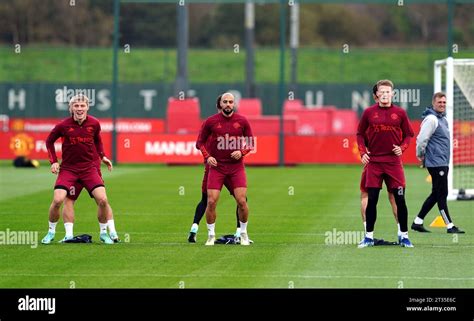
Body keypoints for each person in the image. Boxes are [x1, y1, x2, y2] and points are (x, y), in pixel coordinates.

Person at [41, 94, 117, 245]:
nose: (79, 108)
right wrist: (54, 161)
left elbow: (98, 140)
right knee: (58, 200)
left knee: (102, 199)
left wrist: (102, 157)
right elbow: (49, 141)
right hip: (69, 169)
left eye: (82, 106)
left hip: (89, 169)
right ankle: (51, 232)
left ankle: (104, 233)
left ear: (87, 107)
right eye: (76, 106)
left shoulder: (94, 123)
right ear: (71, 108)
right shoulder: (63, 125)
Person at [356, 79, 415, 248]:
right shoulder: (368, 113)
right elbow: (359, 133)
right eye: (382, 92)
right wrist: (362, 152)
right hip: (374, 162)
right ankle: (368, 237)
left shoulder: (400, 113)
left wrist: (402, 148)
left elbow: (409, 135)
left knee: (400, 199)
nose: (384, 95)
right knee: (372, 199)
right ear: (377, 95)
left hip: (394, 163)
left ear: (392, 94)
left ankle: (404, 236)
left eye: (388, 92)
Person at [196, 92, 254, 246]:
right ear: (220, 104)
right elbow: (200, 143)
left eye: (230, 102)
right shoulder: (210, 122)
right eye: (225, 102)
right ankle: (211, 235)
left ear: (234, 104)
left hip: (236, 168)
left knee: (242, 201)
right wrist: (208, 156)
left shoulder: (242, 121)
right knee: (211, 201)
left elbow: (250, 143)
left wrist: (241, 152)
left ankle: (243, 234)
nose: (228, 104)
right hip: (217, 167)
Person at [411, 92, 465, 234]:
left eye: (444, 102)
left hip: (442, 161)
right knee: (442, 193)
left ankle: (417, 222)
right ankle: (449, 225)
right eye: (439, 102)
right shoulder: (431, 119)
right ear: (433, 103)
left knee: (436, 193)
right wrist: (421, 155)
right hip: (436, 163)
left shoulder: (443, 119)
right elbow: (421, 139)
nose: (442, 105)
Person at [360, 84, 399, 241]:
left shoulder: (369, 113)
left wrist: (363, 152)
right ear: (377, 96)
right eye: (382, 92)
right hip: (385, 160)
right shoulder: (393, 113)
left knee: (366, 194)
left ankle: (368, 235)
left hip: (374, 158)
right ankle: (401, 233)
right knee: (395, 196)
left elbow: (359, 135)